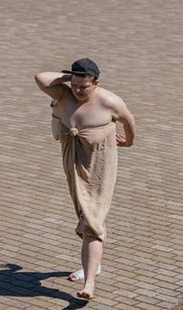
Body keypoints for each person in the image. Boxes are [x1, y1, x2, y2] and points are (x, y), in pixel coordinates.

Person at [35, 58, 136, 300]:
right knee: (85, 215)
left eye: (85, 86)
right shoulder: (64, 94)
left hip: (100, 165)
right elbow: (40, 77)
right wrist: (71, 77)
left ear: (96, 83)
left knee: (92, 222)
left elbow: (129, 120)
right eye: (76, 85)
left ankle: (89, 283)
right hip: (73, 160)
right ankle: (94, 264)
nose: (79, 91)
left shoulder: (109, 101)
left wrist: (129, 141)